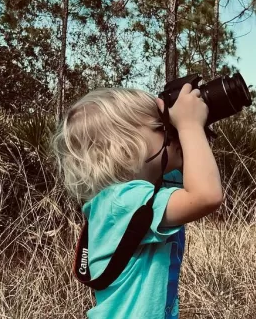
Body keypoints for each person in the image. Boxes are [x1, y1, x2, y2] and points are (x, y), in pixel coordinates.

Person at [52, 83, 223, 318]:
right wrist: (189, 125)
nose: (172, 131)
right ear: (125, 148)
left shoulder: (134, 196)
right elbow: (206, 195)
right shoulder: (125, 202)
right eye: (162, 126)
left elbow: (196, 173)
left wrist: (195, 125)